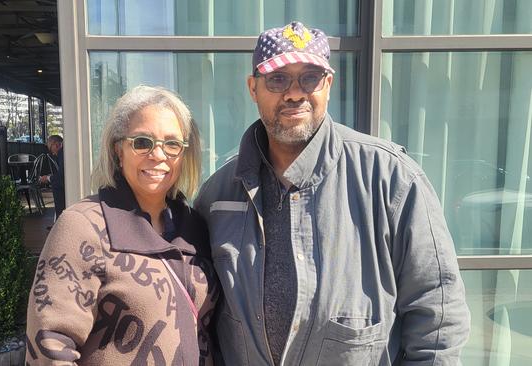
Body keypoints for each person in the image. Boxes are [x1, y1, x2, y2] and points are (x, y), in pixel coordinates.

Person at [194, 21, 470, 365]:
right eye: (277, 79)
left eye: (309, 77)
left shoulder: (390, 178)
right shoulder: (219, 194)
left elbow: (437, 312)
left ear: (328, 84)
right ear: (253, 88)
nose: (294, 93)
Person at [26, 85, 220, 365]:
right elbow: (50, 346)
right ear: (119, 150)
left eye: (172, 144)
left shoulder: (194, 226)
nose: (158, 155)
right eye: (142, 142)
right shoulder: (83, 226)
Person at [40, 134, 65, 219]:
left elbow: (61, 178)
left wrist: (48, 178)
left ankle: (60, 218)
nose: (53, 153)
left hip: (66, 186)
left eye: (51, 149)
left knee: (56, 185)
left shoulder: (62, 154)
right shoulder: (63, 153)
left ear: (56, 144)